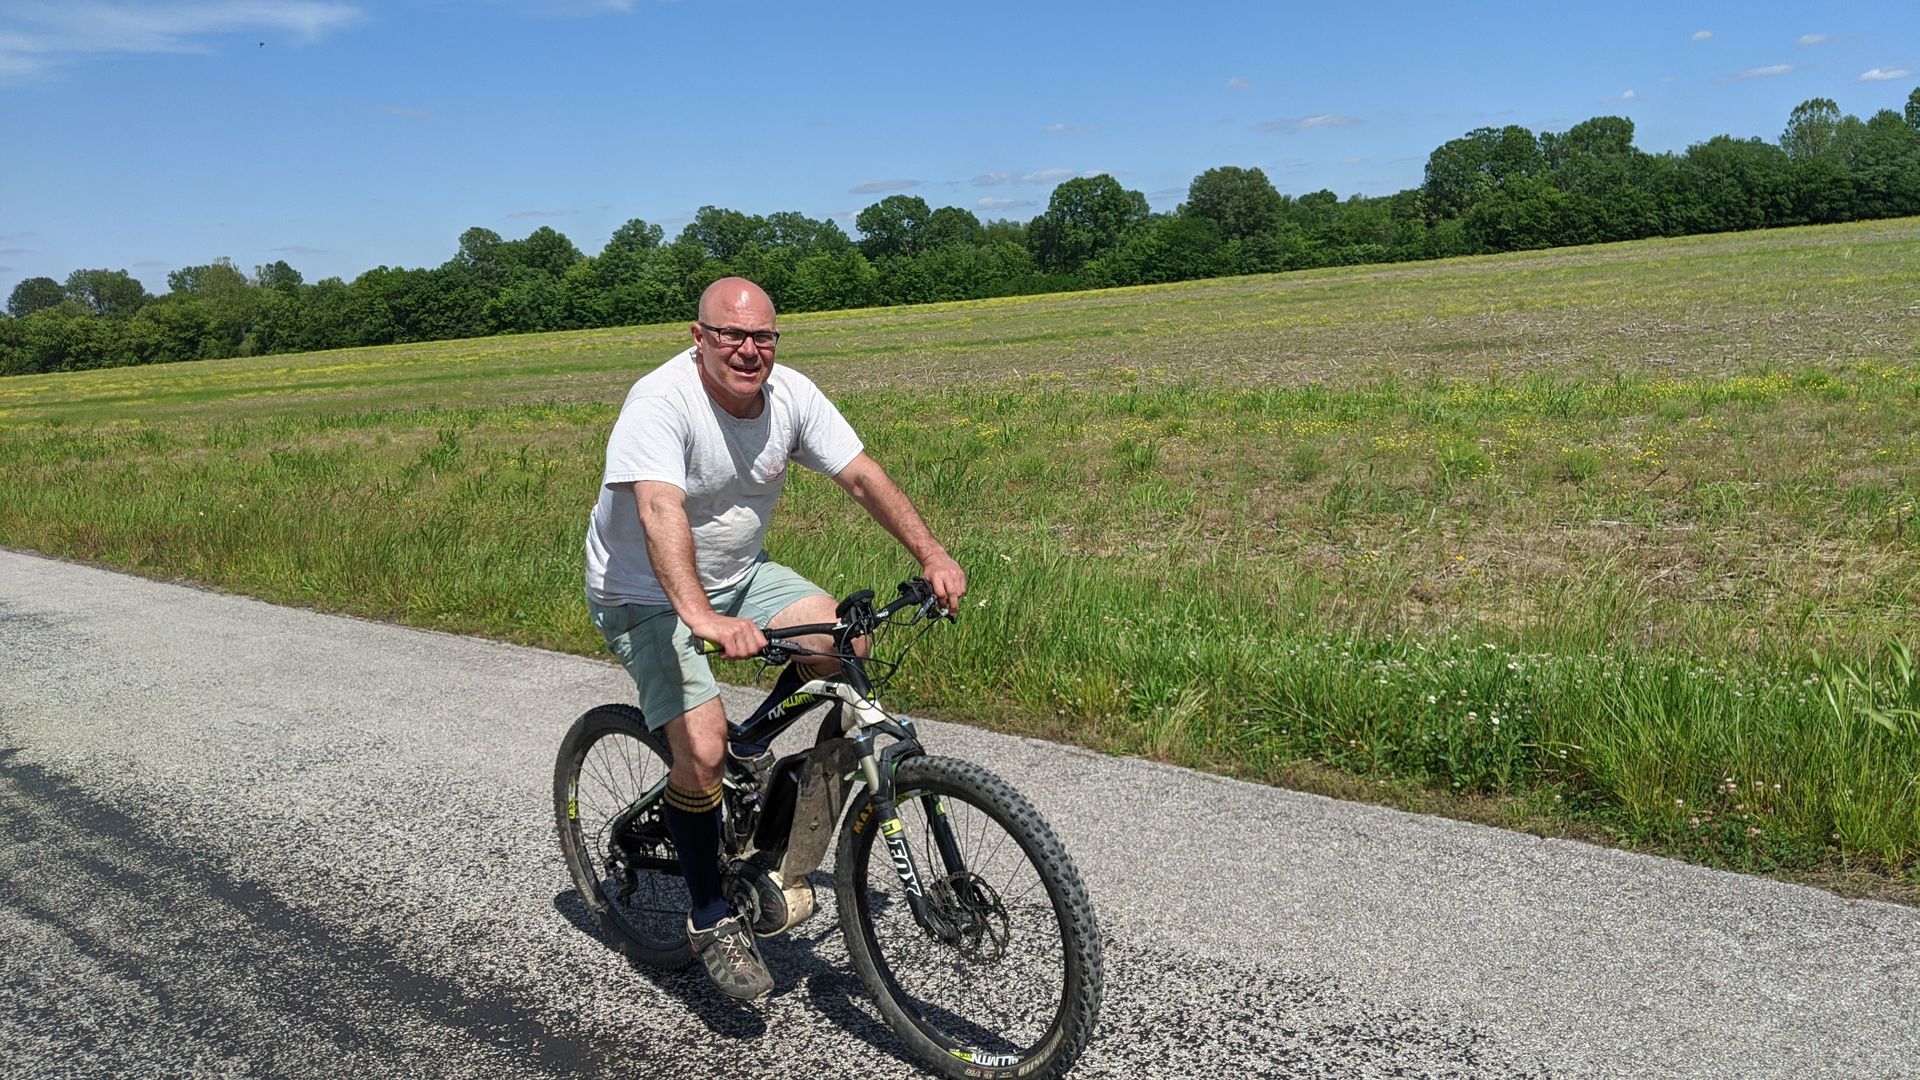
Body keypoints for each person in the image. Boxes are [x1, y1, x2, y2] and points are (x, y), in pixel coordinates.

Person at [583, 276, 966, 1001]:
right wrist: (700, 617)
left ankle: (754, 751)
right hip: (645, 591)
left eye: (762, 336)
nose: (749, 350)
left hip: (739, 572)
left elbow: (860, 476)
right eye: (731, 335)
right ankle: (709, 915)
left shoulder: (790, 395)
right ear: (699, 338)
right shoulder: (660, 403)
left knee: (841, 647)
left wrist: (932, 555)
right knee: (697, 752)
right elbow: (661, 508)